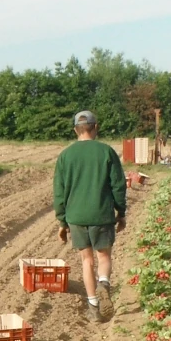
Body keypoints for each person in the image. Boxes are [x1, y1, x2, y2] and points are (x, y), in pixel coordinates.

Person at [53, 110, 127, 323]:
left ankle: (93, 306)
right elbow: (118, 185)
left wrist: (62, 221)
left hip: (76, 217)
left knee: (87, 261)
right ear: (96, 127)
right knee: (104, 257)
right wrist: (121, 212)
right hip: (101, 214)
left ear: (76, 130)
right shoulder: (106, 152)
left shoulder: (65, 156)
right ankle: (104, 282)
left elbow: (59, 191)